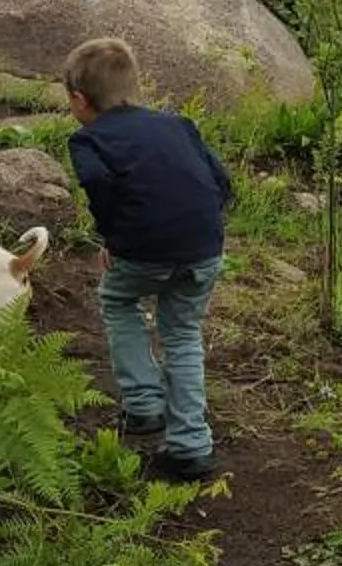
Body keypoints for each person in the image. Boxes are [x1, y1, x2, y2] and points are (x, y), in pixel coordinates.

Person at [61, 37, 232, 482]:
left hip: (143, 249)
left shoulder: (88, 141)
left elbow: (99, 185)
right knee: (182, 333)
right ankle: (191, 446)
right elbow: (222, 180)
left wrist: (114, 239)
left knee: (118, 301)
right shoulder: (179, 125)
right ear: (130, 87)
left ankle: (142, 406)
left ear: (79, 99)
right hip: (204, 247)